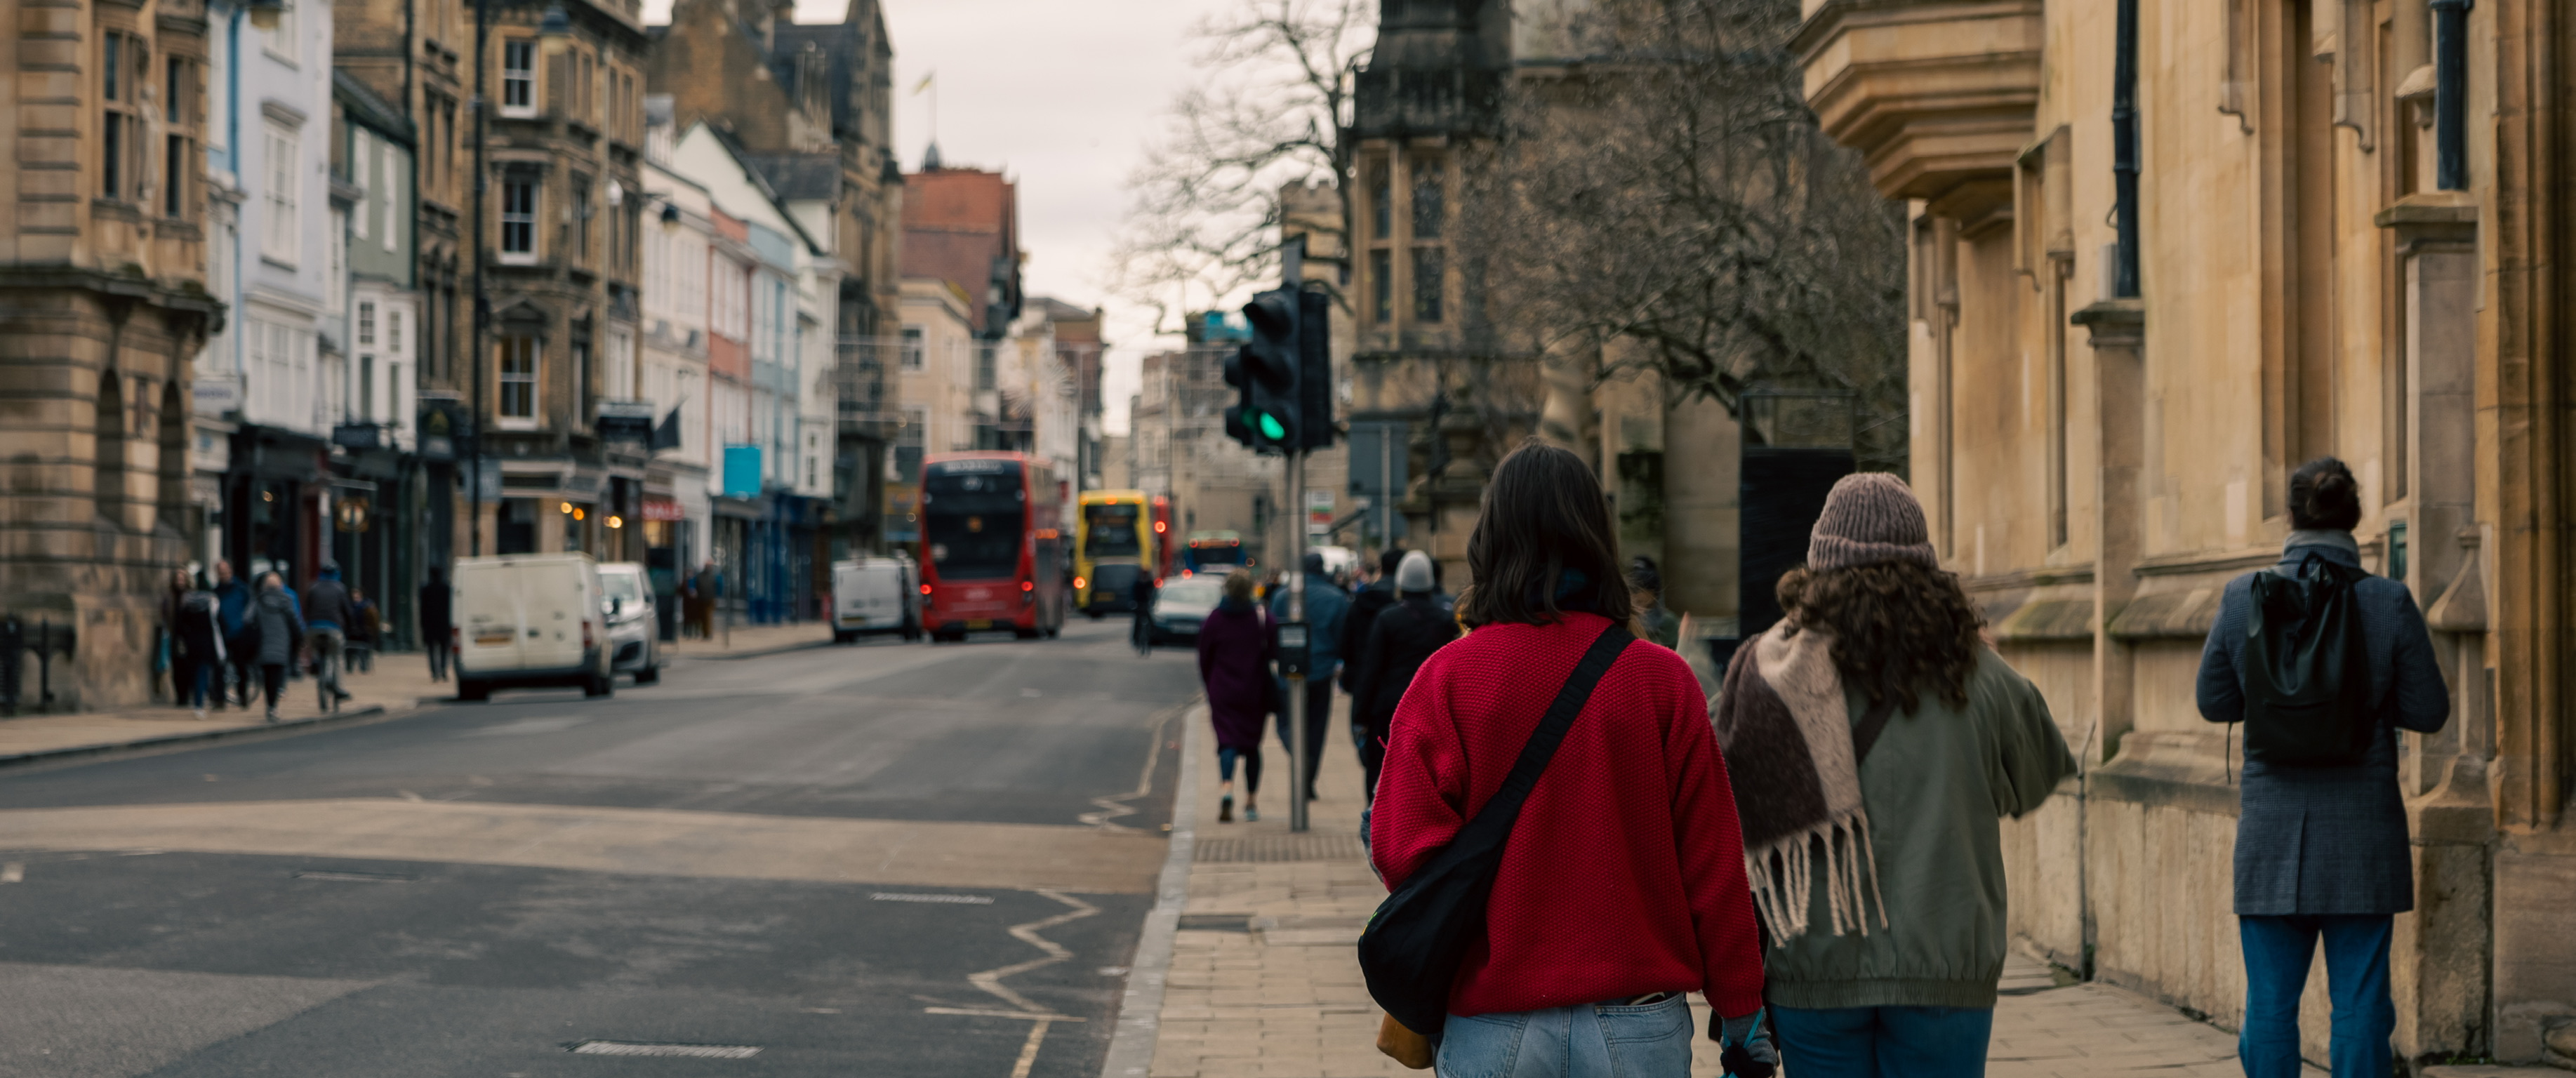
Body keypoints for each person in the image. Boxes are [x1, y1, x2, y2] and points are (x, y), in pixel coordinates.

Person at [1372, 441, 1774, 1078]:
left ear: (1491, 540)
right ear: (1596, 538)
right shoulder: (1662, 682)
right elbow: (1714, 865)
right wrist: (1742, 1012)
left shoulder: (1447, 679)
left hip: (1492, 1018)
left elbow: (1401, 850)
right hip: (1635, 1021)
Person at [1712, 472, 2073, 1078]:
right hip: (1943, 968)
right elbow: (2036, 776)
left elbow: (1722, 802)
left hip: (1812, 967)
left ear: (1818, 566)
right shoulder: (1978, 673)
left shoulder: (1765, 672)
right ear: (1926, 567)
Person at [2195, 458, 2448, 1078]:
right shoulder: (2389, 603)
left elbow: (2213, 701)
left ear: (2290, 516)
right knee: (2361, 1007)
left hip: (2271, 834)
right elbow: (2429, 710)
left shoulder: (2241, 597)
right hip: (2362, 836)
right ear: (2354, 520)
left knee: (2271, 1009)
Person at [1347, 551, 1456, 806]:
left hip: (1389, 707)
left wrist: (1360, 714)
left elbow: (1371, 669)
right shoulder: (1445, 619)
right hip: (1431, 708)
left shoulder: (1388, 618)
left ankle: (1376, 824)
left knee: (1380, 770)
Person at [1268, 550, 1349, 803]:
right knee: (1316, 728)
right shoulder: (1337, 598)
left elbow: (1274, 633)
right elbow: (1342, 637)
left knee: (1285, 723)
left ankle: (1298, 753)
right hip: (1322, 671)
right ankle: (1309, 779)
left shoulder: (1282, 596)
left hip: (1289, 671)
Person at [1196, 568, 1272, 823]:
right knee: (1252, 746)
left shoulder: (1215, 619)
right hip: (1254, 691)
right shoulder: (1261, 617)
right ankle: (1251, 802)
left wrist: (1211, 685)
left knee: (1227, 742)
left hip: (1223, 691)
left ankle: (1226, 787)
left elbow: (1204, 657)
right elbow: (1275, 649)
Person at [248, 571, 305, 721]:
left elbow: (247, 619)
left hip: (264, 645)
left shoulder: (258, 601)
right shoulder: (286, 600)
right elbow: (294, 623)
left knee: (267, 676)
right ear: (280, 585)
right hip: (282, 644)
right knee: (278, 675)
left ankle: (270, 704)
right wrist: (299, 639)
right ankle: (274, 706)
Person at [301, 562, 356, 712]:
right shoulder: (340, 588)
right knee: (337, 656)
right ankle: (339, 688)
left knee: (315, 649)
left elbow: (307, 608)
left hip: (313, 628)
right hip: (333, 628)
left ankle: (316, 663)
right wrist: (350, 629)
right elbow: (348, 612)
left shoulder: (313, 587)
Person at [169, 571, 224, 719]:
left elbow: (181, 624)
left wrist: (186, 638)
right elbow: (219, 622)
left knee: (196, 672)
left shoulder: (188, 602)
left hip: (192, 643)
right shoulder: (211, 601)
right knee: (205, 672)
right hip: (208, 642)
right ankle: (202, 702)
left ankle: (199, 700)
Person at [211, 559, 253, 710]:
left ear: (231, 572)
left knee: (241, 666)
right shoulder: (215, 592)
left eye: (225, 572)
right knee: (219, 667)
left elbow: (250, 607)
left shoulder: (241, 589)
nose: (223, 575)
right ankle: (219, 699)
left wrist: (245, 624)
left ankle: (242, 695)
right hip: (221, 634)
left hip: (239, 633)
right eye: (220, 573)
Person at [1628, 555, 1681, 649]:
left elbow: (1670, 651)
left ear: (1652, 593)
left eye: (1638, 590)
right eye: (1632, 590)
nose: (1634, 595)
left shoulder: (1667, 621)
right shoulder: (1628, 618)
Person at [419, 566, 453, 681]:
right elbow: (451, 608)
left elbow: (423, 609)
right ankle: (443, 670)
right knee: (444, 649)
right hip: (444, 624)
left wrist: (423, 625)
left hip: (430, 625)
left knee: (431, 650)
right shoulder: (446, 589)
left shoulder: (426, 590)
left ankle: (434, 673)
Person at [1130, 571, 1158, 656]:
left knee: (1151, 621)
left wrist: (1153, 603)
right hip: (1139, 605)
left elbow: (1153, 594)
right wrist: (1133, 603)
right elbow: (1133, 594)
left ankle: (1153, 636)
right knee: (1137, 623)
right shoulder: (1137, 583)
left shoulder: (1150, 583)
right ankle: (1136, 639)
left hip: (1147, 605)